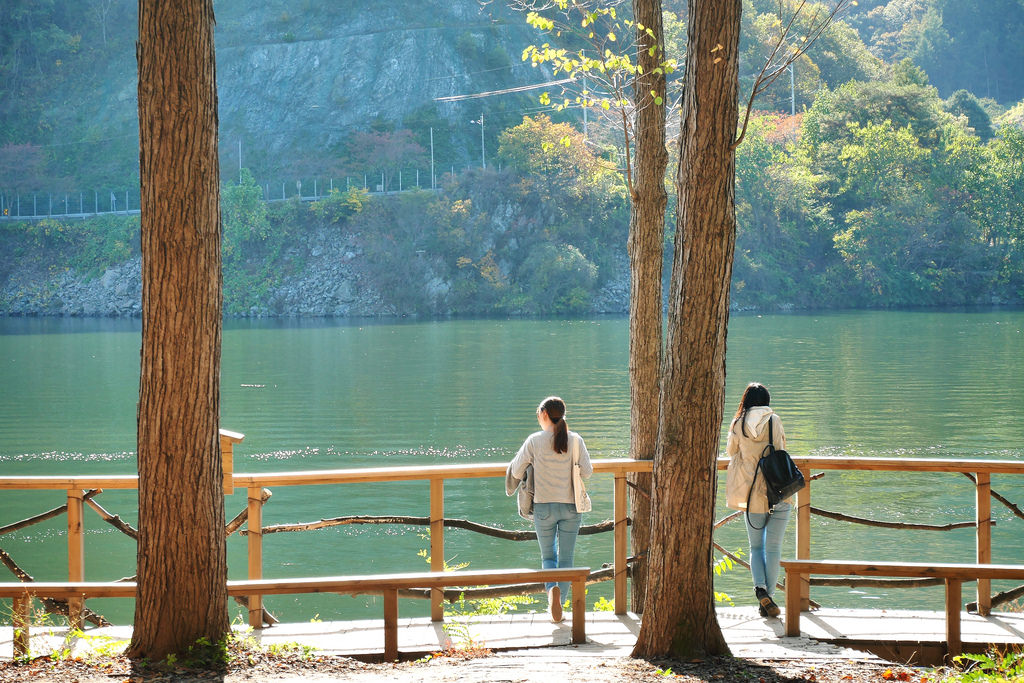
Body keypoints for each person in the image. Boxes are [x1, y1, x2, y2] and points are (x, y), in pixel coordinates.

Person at [506, 396, 592, 623]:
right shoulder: (575, 440)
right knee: (567, 558)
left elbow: (515, 471)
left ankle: (551, 590)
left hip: (544, 507)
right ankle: (560, 604)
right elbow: (587, 471)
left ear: (544, 415)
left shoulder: (534, 441)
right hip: (571, 507)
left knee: (548, 556)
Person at [725, 382, 793, 619]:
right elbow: (781, 449)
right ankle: (768, 599)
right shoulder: (774, 420)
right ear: (766, 400)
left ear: (746, 400)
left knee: (756, 547)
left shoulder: (738, 423)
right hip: (778, 491)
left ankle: (760, 589)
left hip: (751, 494)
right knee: (774, 548)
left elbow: (731, 452)